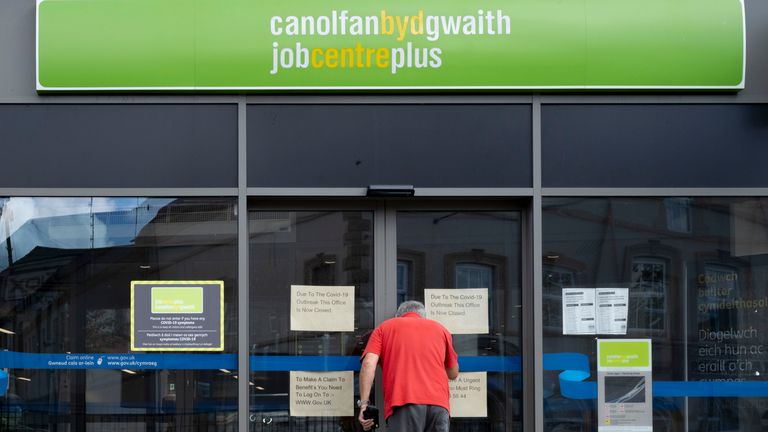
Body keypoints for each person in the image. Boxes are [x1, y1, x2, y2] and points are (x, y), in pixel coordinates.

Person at [357, 300, 459, 431]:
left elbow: (368, 363)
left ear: (398, 315)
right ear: (423, 316)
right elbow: (453, 373)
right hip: (439, 405)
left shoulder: (384, 328)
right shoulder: (441, 329)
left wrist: (364, 404)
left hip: (404, 402)